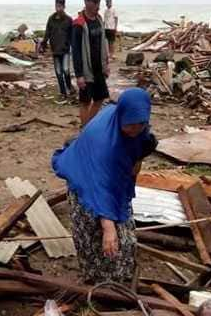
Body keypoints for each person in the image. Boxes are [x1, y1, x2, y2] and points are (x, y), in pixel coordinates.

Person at [52, 88, 158, 284]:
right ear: (121, 118)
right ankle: (96, 280)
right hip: (85, 178)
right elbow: (99, 188)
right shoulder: (104, 145)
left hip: (109, 177)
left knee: (123, 233)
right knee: (94, 233)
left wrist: (128, 182)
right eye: (130, 125)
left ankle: (120, 276)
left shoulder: (138, 129)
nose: (135, 129)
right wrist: (108, 228)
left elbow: (138, 155)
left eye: (140, 125)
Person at [72, 0, 110, 125]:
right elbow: (75, 51)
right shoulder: (79, 24)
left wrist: (106, 64)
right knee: (85, 102)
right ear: (86, 2)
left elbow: (104, 42)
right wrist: (79, 75)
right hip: (86, 70)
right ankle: (84, 130)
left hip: (99, 68)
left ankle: (89, 126)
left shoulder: (99, 20)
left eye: (99, 1)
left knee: (100, 98)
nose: (97, 4)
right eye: (94, 1)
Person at [40, 0, 74, 99]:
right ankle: (63, 93)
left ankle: (69, 87)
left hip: (65, 50)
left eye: (60, 6)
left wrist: (73, 47)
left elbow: (72, 36)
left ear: (64, 6)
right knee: (58, 72)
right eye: (56, 6)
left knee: (66, 70)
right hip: (55, 50)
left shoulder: (69, 20)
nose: (58, 8)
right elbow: (47, 33)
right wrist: (43, 45)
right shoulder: (51, 19)